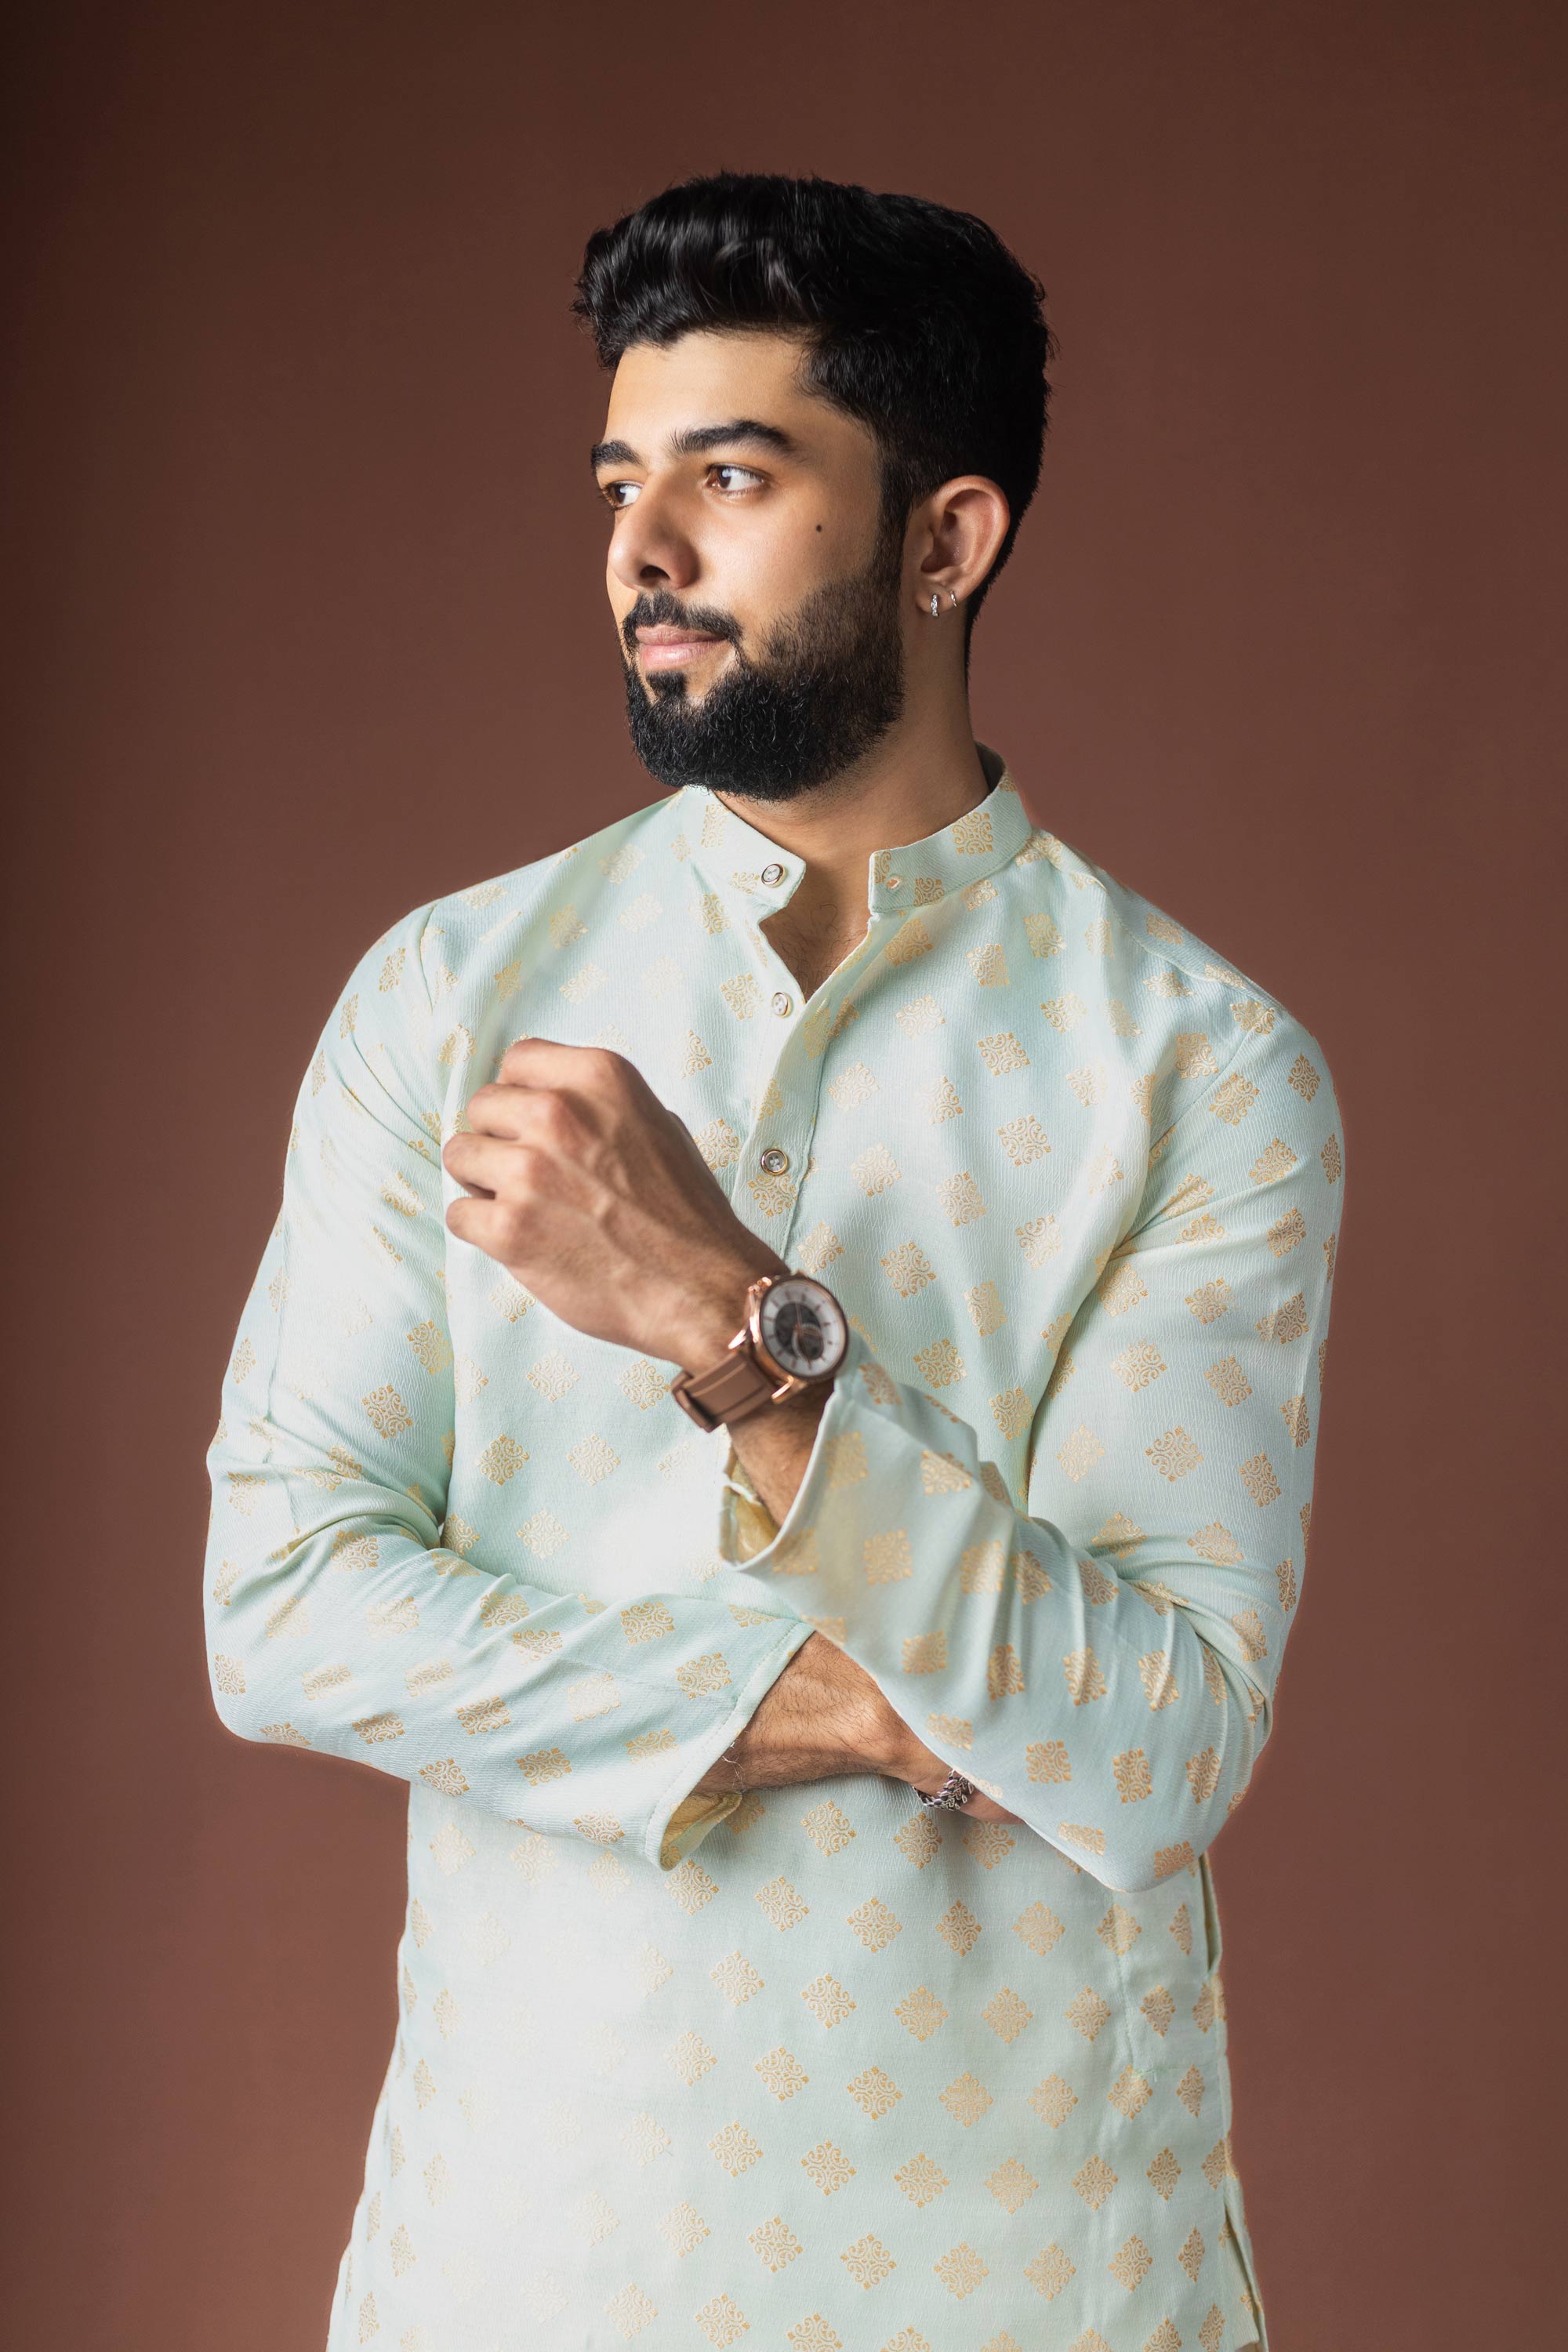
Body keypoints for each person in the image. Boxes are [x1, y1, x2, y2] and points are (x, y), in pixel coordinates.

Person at [205, 169, 1338, 2352]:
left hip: (1037, 2277)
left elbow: (1153, 1751)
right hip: (520, 2264)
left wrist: (741, 1335)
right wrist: (829, 1706)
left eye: (729, 478)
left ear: (946, 540)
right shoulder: (451, 995)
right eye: (617, 482)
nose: (641, 547)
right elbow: (282, 1611)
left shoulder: (1196, 1070)